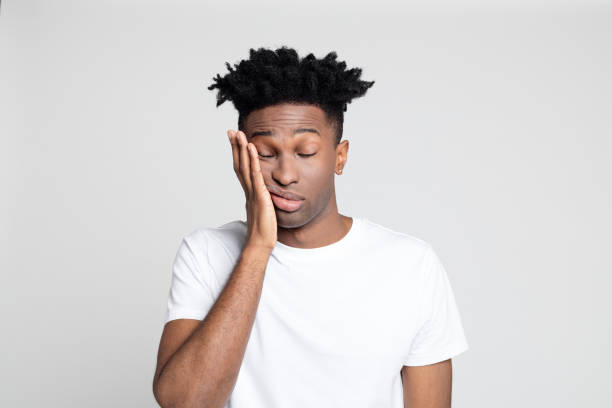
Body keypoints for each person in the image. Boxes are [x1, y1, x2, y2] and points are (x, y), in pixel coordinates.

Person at [152, 46, 469, 408]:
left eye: (305, 153)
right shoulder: (207, 253)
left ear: (340, 156)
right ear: (242, 159)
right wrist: (257, 246)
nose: (285, 175)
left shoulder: (411, 264)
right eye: (266, 154)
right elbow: (184, 402)